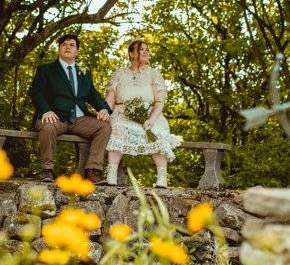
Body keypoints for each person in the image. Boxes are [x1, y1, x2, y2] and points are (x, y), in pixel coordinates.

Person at [29, 33, 112, 184]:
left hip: (79, 119)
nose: (68, 47)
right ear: (59, 49)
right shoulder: (46, 70)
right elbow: (36, 92)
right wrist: (46, 110)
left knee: (104, 127)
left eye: (72, 45)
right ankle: (47, 170)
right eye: (64, 44)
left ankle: (93, 171)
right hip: (55, 117)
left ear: (77, 51)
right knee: (47, 127)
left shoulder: (84, 73)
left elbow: (93, 94)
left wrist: (103, 108)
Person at [104, 40, 182, 187]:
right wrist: (105, 113)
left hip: (149, 114)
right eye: (141, 49)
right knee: (116, 129)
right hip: (122, 114)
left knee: (155, 133)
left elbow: (159, 102)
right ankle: (111, 173)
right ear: (132, 54)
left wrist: (151, 120)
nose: (146, 52)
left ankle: (162, 177)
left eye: (147, 49)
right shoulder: (119, 74)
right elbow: (110, 99)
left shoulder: (154, 74)